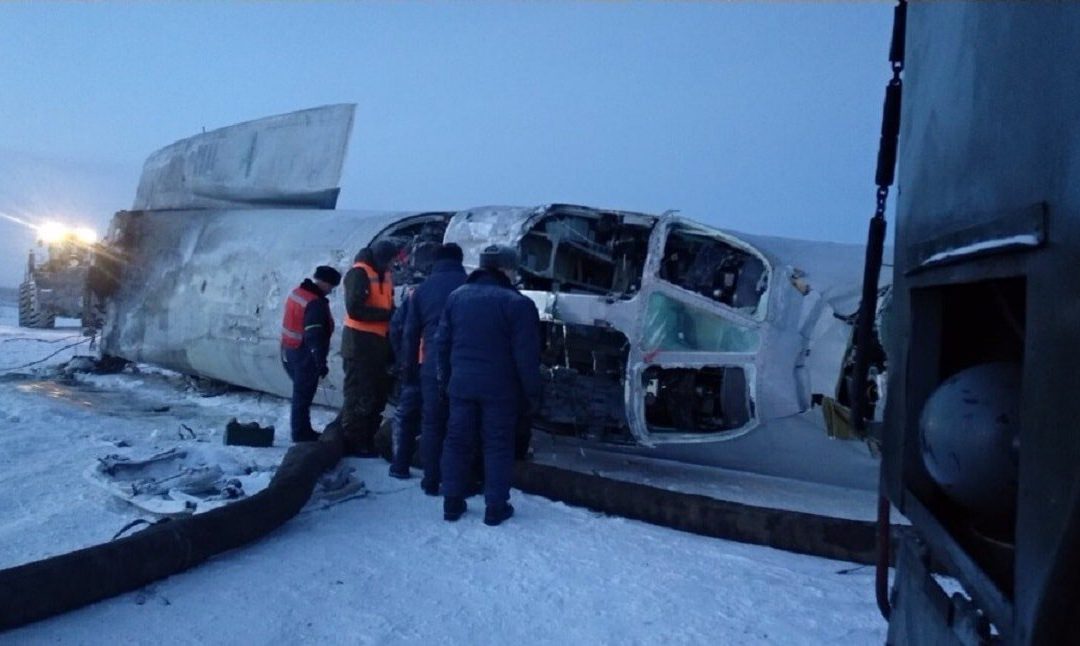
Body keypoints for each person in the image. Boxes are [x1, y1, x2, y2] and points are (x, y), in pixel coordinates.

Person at [436, 244, 541, 526]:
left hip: (461, 385)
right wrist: (532, 394)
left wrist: (445, 380)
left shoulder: (456, 297)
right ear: (506, 269)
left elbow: (441, 344)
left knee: (457, 442)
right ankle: (495, 506)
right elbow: (526, 357)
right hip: (500, 390)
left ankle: (452, 502)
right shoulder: (518, 304)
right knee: (497, 444)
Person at [400, 243, 467, 495]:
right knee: (460, 425)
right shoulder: (469, 286)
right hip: (462, 367)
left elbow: (409, 334)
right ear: (460, 259)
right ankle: (458, 480)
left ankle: (430, 480)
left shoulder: (422, 290)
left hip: (430, 366)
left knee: (432, 424)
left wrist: (408, 370)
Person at [340, 240, 398, 457]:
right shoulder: (359, 274)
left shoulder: (385, 275)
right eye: (392, 260)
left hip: (378, 345)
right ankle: (353, 441)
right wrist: (389, 316)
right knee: (358, 395)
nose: (394, 264)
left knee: (376, 394)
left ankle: (368, 439)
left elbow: (387, 304)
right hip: (359, 344)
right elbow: (355, 310)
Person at [280, 265, 341, 443]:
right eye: (331, 286)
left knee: (300, 393)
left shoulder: (298, 293)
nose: (330, 291)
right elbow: (314, 335)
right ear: (323, 282)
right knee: (303, 395)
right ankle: (301, 433)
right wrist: (320, 362)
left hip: (290, 348)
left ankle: (301, 430)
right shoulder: (315, 303)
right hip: (304, 353)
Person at [388, 288, 421, 478]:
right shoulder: (455, 296)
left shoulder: (414, 298)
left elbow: (396, 328)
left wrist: (401, 358)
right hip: (437, 368)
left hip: (412, 366)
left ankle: (399, 465)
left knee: (405, 416)